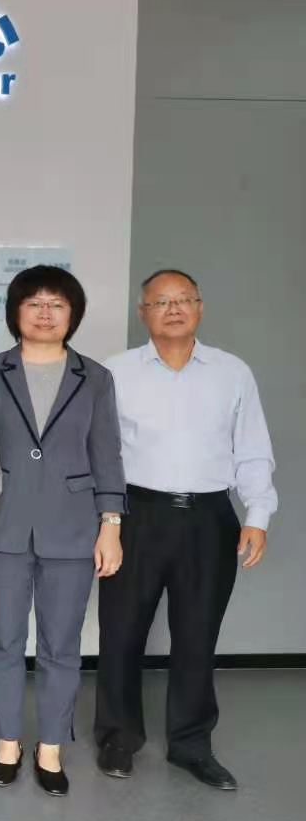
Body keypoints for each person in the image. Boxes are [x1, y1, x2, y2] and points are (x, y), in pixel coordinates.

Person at [95, 269, 276, 790]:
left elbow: (253, 448)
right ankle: (118, 737)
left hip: (208, 518)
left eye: (183, 300)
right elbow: (101, 452)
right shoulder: (116, 373)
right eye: (161, 302)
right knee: (122, 630)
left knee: (198, 634)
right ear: (143, 313)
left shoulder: (232, 373)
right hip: (137, 515)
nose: (173, 309)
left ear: (199, 307)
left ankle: (192, 745)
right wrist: (105, 521)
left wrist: (258, 515)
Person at [0, 266, 124, 797]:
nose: (45, 313)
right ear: (15, 312)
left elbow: (106, 454)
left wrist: (111, 525)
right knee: (3, 639)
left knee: (61, 645)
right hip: (3, 525)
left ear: (72, 314)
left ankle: (51, 747)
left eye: (57, 304)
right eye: (34, 303)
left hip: (73, 528)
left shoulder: (95, 378)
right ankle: (7, 743)